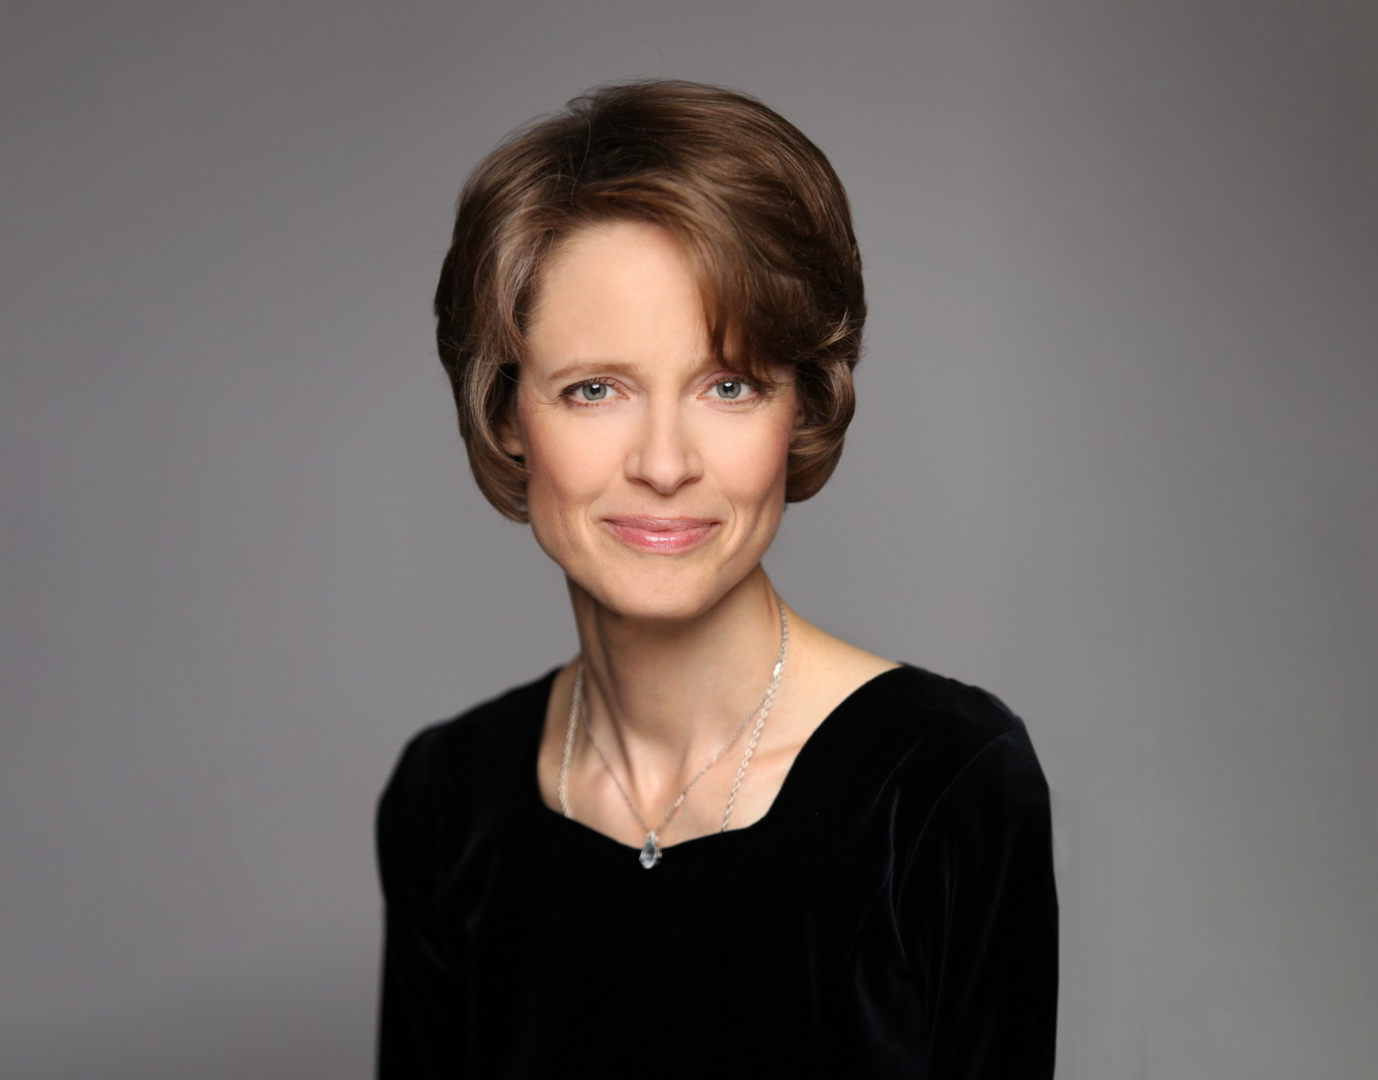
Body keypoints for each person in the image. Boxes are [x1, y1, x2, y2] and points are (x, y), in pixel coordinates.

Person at [376, 79, 1057, 1078]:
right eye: (595, 389)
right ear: (507, 414)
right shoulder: (448, 801)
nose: (664, 464)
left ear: (802, 407)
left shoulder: (941, 784)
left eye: (728, 385)